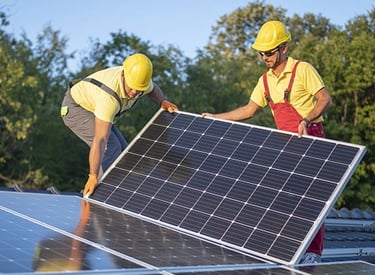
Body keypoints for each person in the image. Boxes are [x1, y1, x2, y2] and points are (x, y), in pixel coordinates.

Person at [202, 21, 332, 264]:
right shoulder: (265, 81)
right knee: (282, 198)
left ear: (284, 48)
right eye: (261, 53)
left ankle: (312, 254)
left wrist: (306, 118)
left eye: (269, 52)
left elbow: (325, 99)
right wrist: (216, 117)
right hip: (285, 142)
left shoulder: (302, 70)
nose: (265, 57)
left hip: (311, 138)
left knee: (311, 199)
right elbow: (249, 109)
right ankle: (288, 248)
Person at [61, 53, 178, 197]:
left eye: (139, 89)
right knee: (112, 146)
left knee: (124, 153)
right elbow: (100, 140)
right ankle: (103, 196)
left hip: (93, 107)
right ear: (123, 75)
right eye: (132, 87)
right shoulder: (108, 98)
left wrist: (162, 101)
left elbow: (153, 89)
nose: (135, 92)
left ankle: (121, 193)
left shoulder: (140, 82)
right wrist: (93, 175)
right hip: (76, 108)